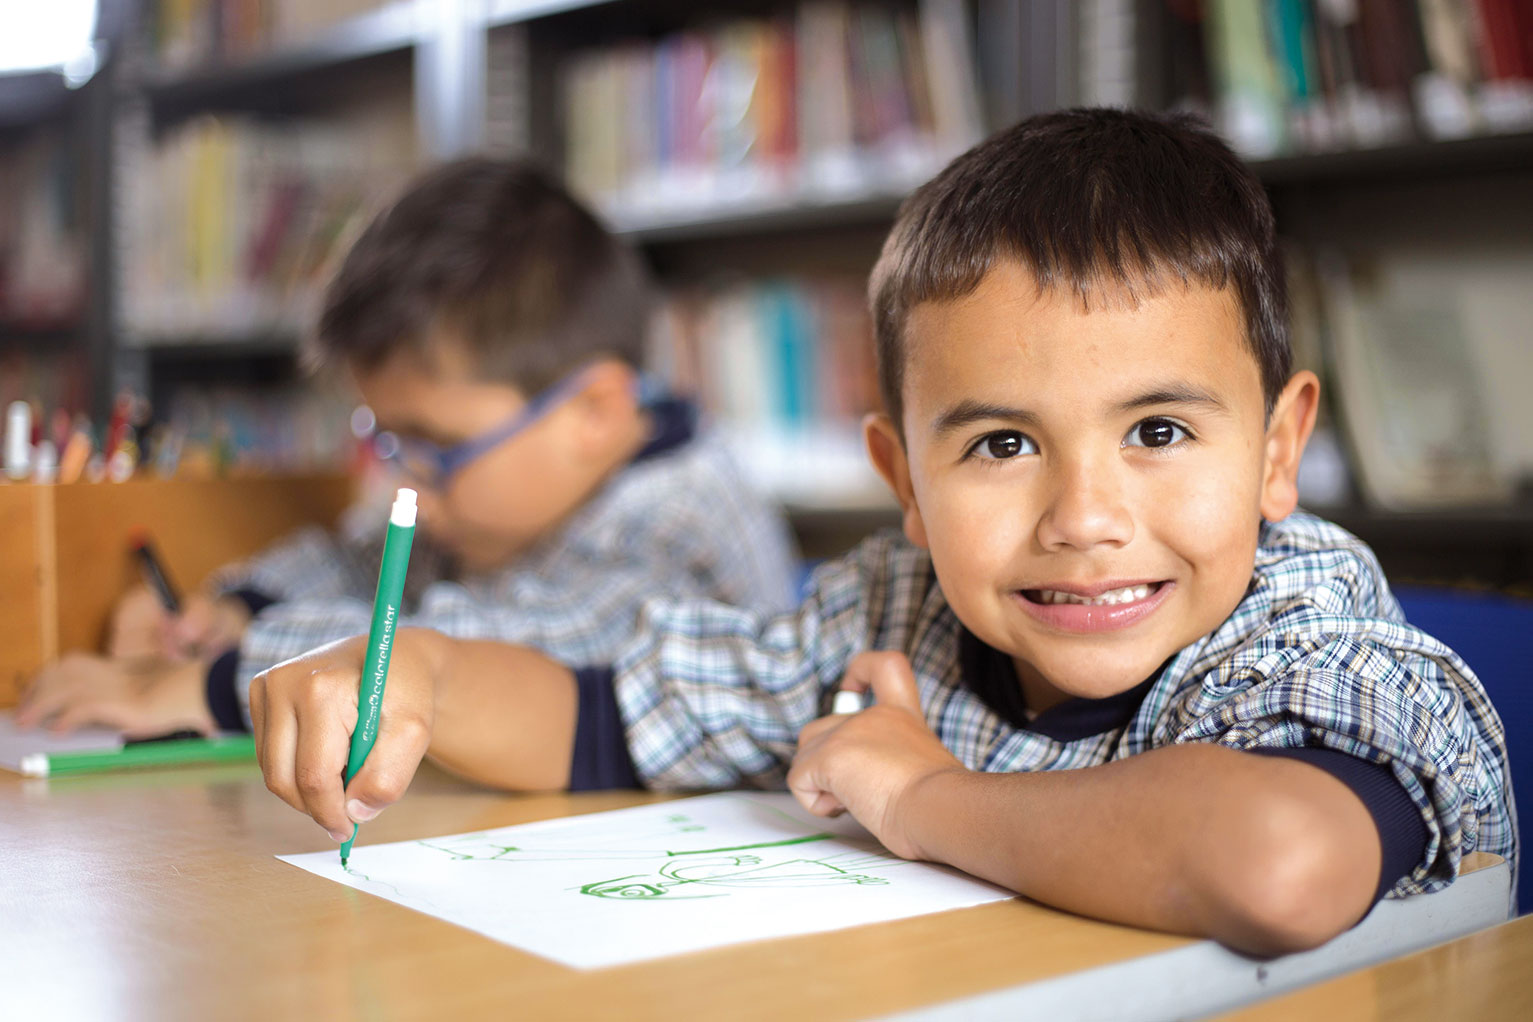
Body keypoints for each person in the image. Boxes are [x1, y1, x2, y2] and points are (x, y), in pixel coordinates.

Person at [239, 110, 1516, 955]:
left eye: (1161, 432)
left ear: (1279, 452)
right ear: (904, 478)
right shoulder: (891, 612)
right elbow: (602, 715)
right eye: (1002, 445)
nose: (1083, 518)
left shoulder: (1305, 620)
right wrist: (423, 670)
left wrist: (921, 794)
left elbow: (1279, 861)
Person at [17, 158, 799, 738]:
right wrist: (232, 610)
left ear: (593, 412)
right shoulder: (493, 501)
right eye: (389, 440)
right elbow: (361, 562)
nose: (409, 485)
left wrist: (215, 683)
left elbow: (479, 656)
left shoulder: (679, 529)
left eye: (438, 446)